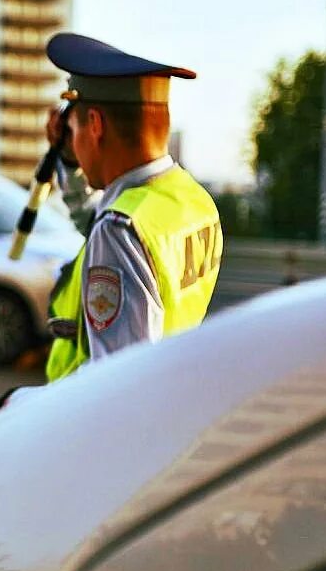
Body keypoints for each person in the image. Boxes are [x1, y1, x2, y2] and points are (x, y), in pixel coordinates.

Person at [40, 33, 224, 383]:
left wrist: (21, 405)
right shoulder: (194, 201)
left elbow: (117, 386)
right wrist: (69, 161)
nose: (74, 144)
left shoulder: (119, 230)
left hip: (88, 428)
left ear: (94, 126)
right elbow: (98, 215)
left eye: (76, 130)